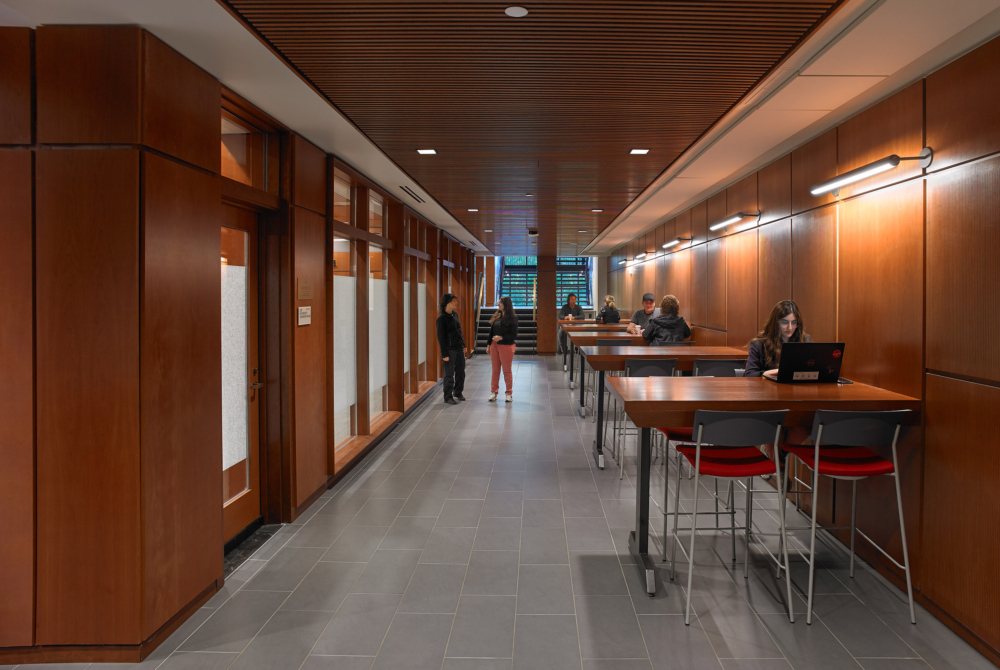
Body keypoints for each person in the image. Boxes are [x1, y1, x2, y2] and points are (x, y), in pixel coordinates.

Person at [745, 300, 811, 378]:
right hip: (768, 388)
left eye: (793, 322)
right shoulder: (759, 344)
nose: (790, 327)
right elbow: (748, 375)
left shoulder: (805, 340)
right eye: (784, 322)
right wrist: (767, 374)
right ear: (776, 323)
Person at [436, 293, 467, 404]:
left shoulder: (455, 314)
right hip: (449, 349)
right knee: (449, 374)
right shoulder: (441, 318)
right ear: (448, 302)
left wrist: (463, 344)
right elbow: (441, 338)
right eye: (454, 301)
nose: (456, 303)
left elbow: (459, 331)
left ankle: (458, 392)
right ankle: (448, 396)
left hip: (458, 347)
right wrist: (444, 354)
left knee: (460, 371)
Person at [487, 296, 518, 402]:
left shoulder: (513, 318)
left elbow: (513, 335)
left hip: (506, 346)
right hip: (494, 346)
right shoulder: (497, 315)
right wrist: (488, 344)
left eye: (500, 302)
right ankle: (493, 392)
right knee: (495, 370)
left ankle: (509, 393)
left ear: (506, 304)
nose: (498, 304)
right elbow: (491, 332)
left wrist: (501, 337)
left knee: (506, 371)